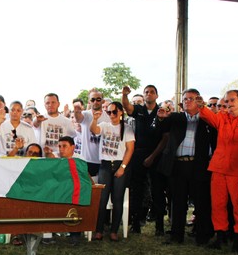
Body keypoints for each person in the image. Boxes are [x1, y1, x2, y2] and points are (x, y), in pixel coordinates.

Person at [197, 90, 238, 252]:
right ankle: (220, 237)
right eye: (226, 101)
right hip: (218, 168)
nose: (229, 104)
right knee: (217, 204)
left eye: (232, 100)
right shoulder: (222, 117)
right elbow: (209, 116)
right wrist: (201, 106)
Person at [157, 88, 217, 245]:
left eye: (191, 98)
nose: (188, 101)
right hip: (178, 165)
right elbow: (160, 128)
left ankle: (202, 236)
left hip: (199, 165)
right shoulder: (176, 118)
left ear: (198, 101)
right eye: (185, 99)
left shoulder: (207, 120)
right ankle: (176, 236)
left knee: (202, 202)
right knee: (178, 202)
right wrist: (162, 119)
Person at [122, 85, 169, 235]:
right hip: (139, 155)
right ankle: (135, 224)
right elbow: (127, 107)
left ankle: (159, 227)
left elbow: (165, 138)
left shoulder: (162, 112)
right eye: (146, 92)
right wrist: (124, 95)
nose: (149, 94)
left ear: (157, 95)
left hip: (156, 155)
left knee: (158, 191)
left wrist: (153, 156)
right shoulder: (139, 110)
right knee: (137, 190)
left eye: (152, 92)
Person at [90, 101, 135, 241]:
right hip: (104, 165)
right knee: (102, 199)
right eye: (109, 112)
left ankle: (114, 230)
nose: (111, 115)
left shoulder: (127, 128)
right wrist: (95, 119)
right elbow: (94, 130)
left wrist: (123, 167)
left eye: (114, 112)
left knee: (117, 198)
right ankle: (99, 230)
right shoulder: (104, 125)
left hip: (119, 164)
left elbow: (130, 149)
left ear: (121, 112)